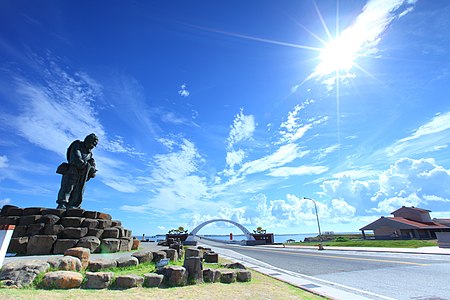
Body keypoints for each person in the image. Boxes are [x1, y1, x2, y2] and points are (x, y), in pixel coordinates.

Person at [56, 133, 98, 209]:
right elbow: (75, 158)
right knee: (68, 187)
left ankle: (73, 204)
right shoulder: (77, 145)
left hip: (82, 174)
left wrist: (93, 169)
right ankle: (62, 203)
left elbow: (91, 162)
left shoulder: (90, 154)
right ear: (88, 141)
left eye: (94, 145)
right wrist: (86, 165)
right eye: (92, 143)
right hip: (72, 170)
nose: (93, 146)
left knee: (78, 189)